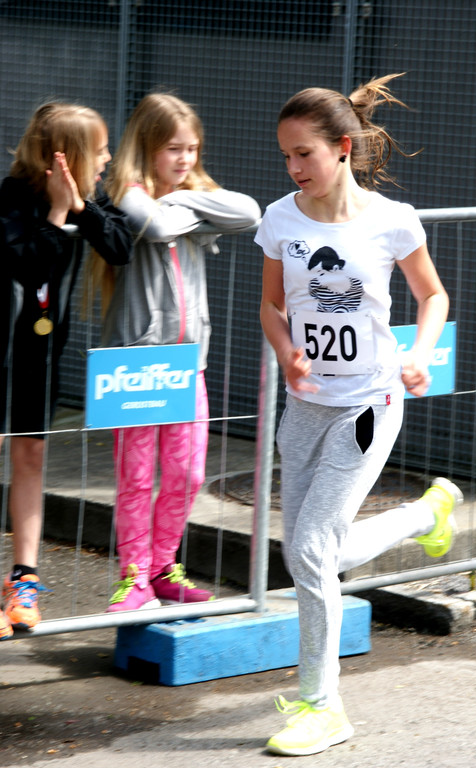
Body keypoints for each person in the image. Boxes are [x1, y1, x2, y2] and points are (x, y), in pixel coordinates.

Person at [255, 74, 463, 757]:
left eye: (304, 154)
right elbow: (272, 306)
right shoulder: (279, 219)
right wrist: (286, 352)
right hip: (303, 409)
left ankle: (323, 706)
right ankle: (424, 515)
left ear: (342, 148)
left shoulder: (391, 220)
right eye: (286, 156)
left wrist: (420, 353)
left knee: (310, 552)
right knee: (309, 554)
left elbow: (432, 296)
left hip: (368, 405)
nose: (293, 168)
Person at [92, 92, 260, 612]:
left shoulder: (190, 193)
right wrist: (186, 209)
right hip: (137, 364)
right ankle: (134, 576)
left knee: (188, 474)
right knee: (137, 477)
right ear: (147, 147)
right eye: (173, 149)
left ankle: (163, 566)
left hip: (189, 363)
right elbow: (159, 226)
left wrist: (184, 200)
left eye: (192, 149)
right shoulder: (126, 193)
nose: (185, 159)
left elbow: (250, 212)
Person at [0, 102, 133, 641]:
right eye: (98, 150)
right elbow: (26, 263)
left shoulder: (88, 199)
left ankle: (24, 583)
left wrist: (81, 206)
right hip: (2, 353)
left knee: (31, 456)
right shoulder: (11, 198)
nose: (107, 159)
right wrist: (57, 214)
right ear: (66, 157)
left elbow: (119, 247)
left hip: (40, 354)